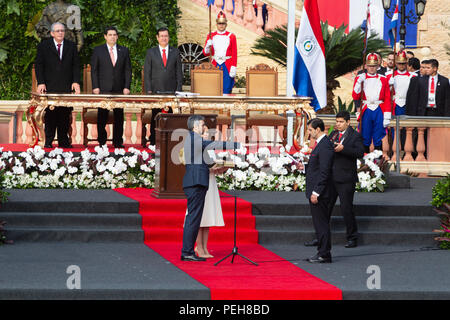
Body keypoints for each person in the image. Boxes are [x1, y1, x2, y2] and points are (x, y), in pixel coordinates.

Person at [181, 115, 239, 262]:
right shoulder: (194, 138)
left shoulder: (194, 140)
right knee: (193, 219)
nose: (203, 126)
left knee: (195, 218)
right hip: (195, 182)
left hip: (197, 182)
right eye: (201, 124)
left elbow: (208, 162)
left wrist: (222, 164)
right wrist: (234, 145)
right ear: (194, 127)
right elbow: (212, 145)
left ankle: (188, 251)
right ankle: (187, 251)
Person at [35, 22, 80, 149]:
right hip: (50, 86)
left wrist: (76, 81)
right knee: (50, 115)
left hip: (66, 87)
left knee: (64, 115)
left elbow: (76, 65)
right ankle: (48, 141)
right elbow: (39, 65)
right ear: (52, 33)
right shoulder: (44, 46)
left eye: (62, 31)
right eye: (58, 31)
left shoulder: (71, 46)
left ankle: (63, 141)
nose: (61, 33)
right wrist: (41, 82)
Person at [183, 126, 226, 259]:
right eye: (204, 133)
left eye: (207, 132)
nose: (206, 135)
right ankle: (198, 247)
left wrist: (223, 167)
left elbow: (215, 168)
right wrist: (211, 167)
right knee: (198, 218)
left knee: (207, 217)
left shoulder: (210, 149)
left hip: (211, 183)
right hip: (199, 183)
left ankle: (204, 247)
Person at [297, 118, 334, 263]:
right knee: (320, 223)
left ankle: (324, 254)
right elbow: (318, 166)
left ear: (318, 129)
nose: (309, 132)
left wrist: (316, 192)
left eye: (310, 130)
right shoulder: (321, 144)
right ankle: (322, 252)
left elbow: (325, 171)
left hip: (321, 192)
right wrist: (304, 167)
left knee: (322, 224)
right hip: (318, 190)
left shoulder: (325, 145)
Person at [91, 26, 132, 148]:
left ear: (117, 37)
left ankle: (118, 142)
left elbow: (127, 70)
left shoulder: (123, 51)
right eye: (110, 35)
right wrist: (95, 86)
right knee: (102, 116)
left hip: (119, 89)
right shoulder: (98, 50)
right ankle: (102, 142)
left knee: (119, 117)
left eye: (114, 35)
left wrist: (127, 86)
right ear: (105, 36)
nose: (112, 37)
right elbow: (94, 70)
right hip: (103, 89)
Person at [143, 27, 183, 146]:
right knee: (155, 116)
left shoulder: (175, 52)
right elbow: (147, 73)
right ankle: (154, 140)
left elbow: (179, 73)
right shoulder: (151, 52)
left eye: (166, 36)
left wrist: (178, 90)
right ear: (157, 37)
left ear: (168, 37)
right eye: (161, 36)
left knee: (170, 118)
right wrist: (148, 90)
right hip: (156, 91)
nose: (164, 38)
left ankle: (170, 141)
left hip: (171, 92)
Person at [352, 53, 391, 153]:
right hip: (366, 108)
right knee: (365, 134)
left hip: (379, 108)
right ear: (366, 66)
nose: (372, 68)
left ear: (378, 66)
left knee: (378, 135)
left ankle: (378, 160)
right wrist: (358, 83)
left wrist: (387, 115)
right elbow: (355, 96)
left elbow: (387, 97)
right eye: (370, 66)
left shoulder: (383, 79)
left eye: (374, 66)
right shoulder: (360, 77)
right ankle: (363, 161)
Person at [203, 11, 238, 94]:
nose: (221, 25)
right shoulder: (211, 35)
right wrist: (208, 45)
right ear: (216, 24)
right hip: (215, 64)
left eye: (223, 23)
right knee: (214, 89)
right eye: (219, 23)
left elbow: (234, 53)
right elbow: (205, 53)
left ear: (226, 24)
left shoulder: (231, 36)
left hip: (227, 65)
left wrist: (233, 66)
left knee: (226, 89)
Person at [387, 51, 416, 117]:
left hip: (409, 104)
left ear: (406, 63)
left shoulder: (413, 76)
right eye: (399, 63)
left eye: (403, 63)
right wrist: (389, 85)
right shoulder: (389, 75)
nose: (401, 65)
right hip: (395, 104)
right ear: (396, 63)